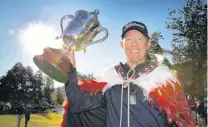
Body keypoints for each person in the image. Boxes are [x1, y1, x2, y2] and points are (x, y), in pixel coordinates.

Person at [64, 21, 196, 127]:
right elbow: (78, 104)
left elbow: (181, 121)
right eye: (128, 39)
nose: (134, 44)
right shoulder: (111, 80)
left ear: (148, 44)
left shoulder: (163, 80)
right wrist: (70, 68)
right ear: (122, 45)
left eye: (139, 39)